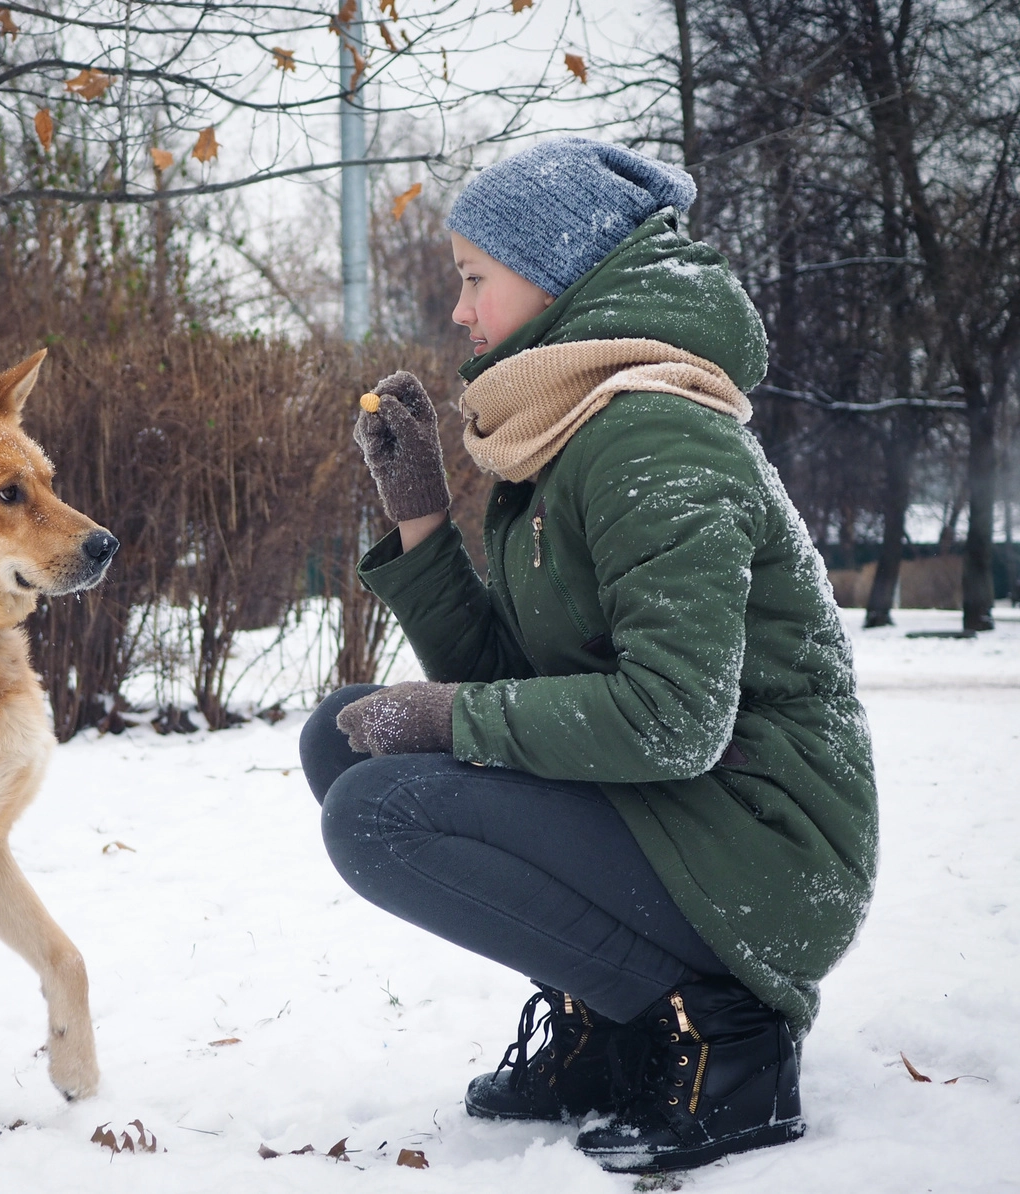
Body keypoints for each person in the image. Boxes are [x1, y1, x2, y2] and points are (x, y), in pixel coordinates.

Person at [300, 136, 877, 1175]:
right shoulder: (572, 427)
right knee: (338, 738)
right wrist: (422, 520)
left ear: (557, 271)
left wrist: (442, 719)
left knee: (376, 807)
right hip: (676, 813)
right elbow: (524, 685)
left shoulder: (653, 434)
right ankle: (608, 1022)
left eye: (474, 279)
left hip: (763, 849)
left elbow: (672, 716)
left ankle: (719, 1028)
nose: (460, 313)